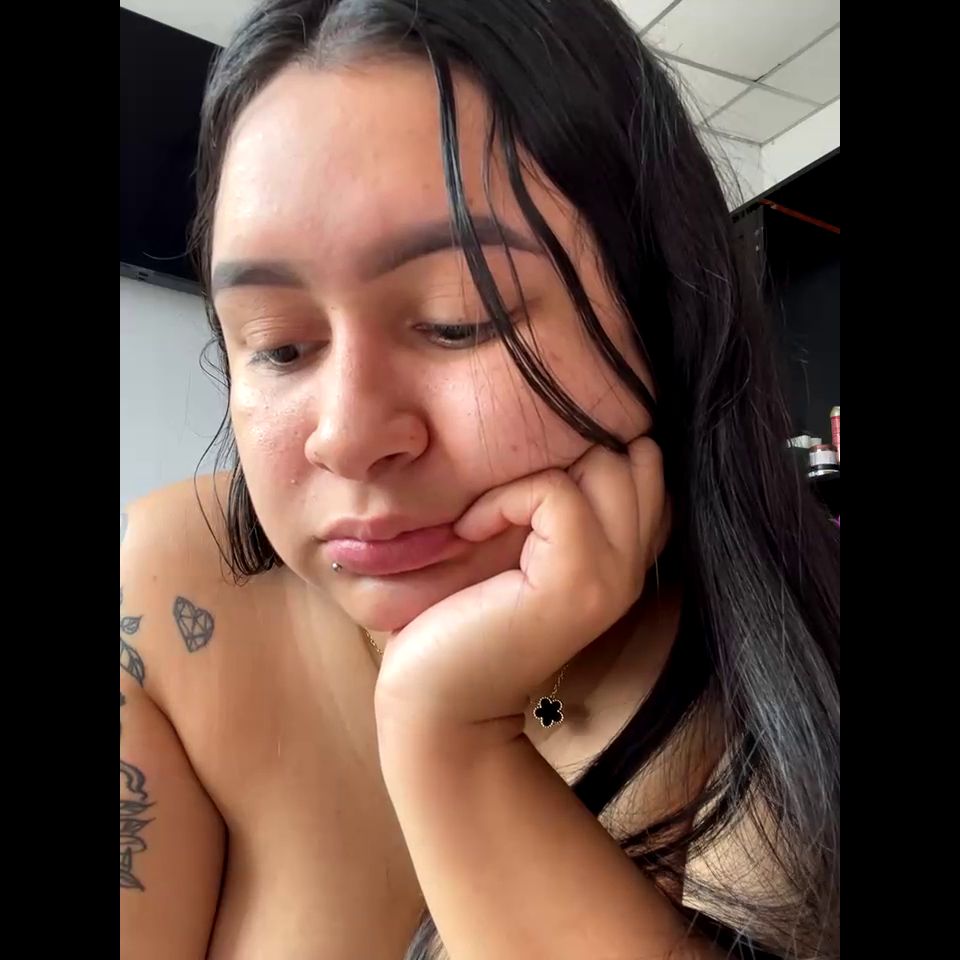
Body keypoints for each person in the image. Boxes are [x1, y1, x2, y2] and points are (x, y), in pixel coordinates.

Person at [119, 1, 840, 957]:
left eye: (460, 318)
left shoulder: (778, 694)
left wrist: (449, 738)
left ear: (663, 314)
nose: (346, 437)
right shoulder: (175, 590)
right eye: (280, 346)